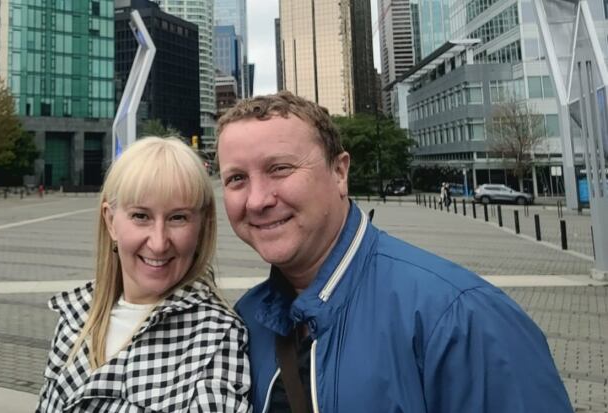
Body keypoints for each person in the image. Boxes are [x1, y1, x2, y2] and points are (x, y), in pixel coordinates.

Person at [216, 91, 572, 412]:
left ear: (340, 172)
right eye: (236, 179)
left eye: (279, 169)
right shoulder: (242, 323)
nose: (258, 199)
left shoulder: (461, 317)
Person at [36, 137, 251, 412]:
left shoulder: (216, 338)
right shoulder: (76, 316)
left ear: (201, 227)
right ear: (111, 221)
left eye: (178, 218)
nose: (159, 242)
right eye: (141, 216)